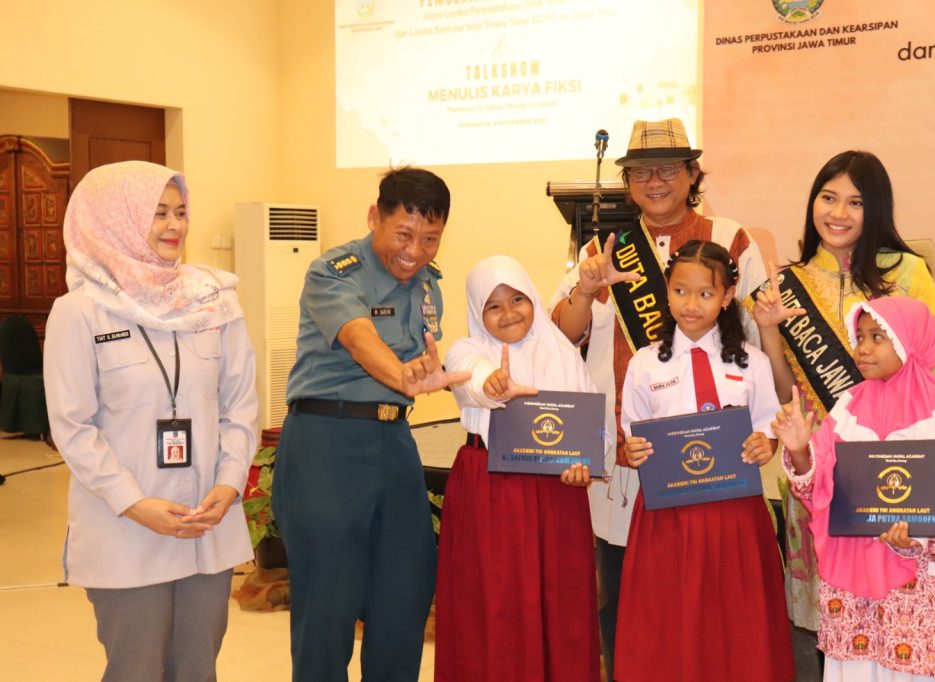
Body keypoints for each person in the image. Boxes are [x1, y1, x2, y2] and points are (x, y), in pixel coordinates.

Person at [549, 117, 767, 677]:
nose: (654, 181)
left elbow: (757, 338)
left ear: (693, 173)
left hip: (716, 476)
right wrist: (587, 288)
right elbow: (561, 335)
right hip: (628, 460)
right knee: (628, 604)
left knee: (714, 611)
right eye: (641, 172)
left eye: (668, 169)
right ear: (626, 183)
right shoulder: (602, 248)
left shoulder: (730, 238)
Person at [43, 161, 258, 681]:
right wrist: (135, 504)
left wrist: (229, 484)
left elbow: (240, 404)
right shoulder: (80, 312)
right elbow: (73, 427)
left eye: (180, 212)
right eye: (158, 213)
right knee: (136, 670)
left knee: (198, 669)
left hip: (206, 521)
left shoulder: (214, 300)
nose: (174, 225)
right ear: (115, 218)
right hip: (124, 529)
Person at [752, 150, 935, 632]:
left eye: (856, 202)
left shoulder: (907, 273)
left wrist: (928, 465)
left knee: (900, 613)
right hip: (821, 470)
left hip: (898, 465)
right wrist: (768, 330)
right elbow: (788, 395)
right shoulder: (789, 284)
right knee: (836, 621)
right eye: (828, 198)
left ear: (876, 208)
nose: (838, 213)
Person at [272, 167, 466, 681]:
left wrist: (440, 376)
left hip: (395, 440)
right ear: (374, 217)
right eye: (404, 234)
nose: (415, 251)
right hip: (326, 441)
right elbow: (360, 339)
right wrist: (402, 376)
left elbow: (423, 359)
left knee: (406, 590)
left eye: (430, 239)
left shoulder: (428, 285)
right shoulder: (334, 271)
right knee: (327, 606)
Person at [772, 296, 935, 681]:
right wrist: (799, 449)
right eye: (860, 337)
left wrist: (919, 537)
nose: (863, 348)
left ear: (906, 341)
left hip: (921, 590)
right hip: (855, 587)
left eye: (877, 337)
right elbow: (818, 486)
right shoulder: (849, 406)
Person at [615, 240, 795, 682]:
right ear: (666, 291)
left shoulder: (752, 363)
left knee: (736, 622)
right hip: (667, 518)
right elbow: (631, 435)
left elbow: (768, 427)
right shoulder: (644, 364)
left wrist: (766, 445)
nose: (690, 304)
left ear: (728, 295)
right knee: (669, 624)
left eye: (705, 293)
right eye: (680, 291)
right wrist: (632, 452)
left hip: (734, 516)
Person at [436, 255, 602, 682]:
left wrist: (585, 464)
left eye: (517, 299)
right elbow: (470, 379)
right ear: (477, 312)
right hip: (490, 488)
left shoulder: (563, 352)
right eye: (493, 306)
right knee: (495, 600)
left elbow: (592, 425)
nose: (508, 313)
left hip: (557, 492)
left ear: (532, 298)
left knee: (560, 599)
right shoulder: (467, 350)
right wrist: (490, 384)